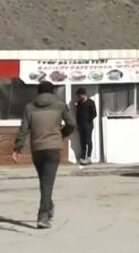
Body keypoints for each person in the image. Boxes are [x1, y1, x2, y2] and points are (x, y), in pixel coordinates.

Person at [12, 81, 77, 229]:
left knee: (44, 181)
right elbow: (72, 123)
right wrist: (61, 134)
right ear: (52, 92)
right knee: (47, 183)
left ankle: (49, 206)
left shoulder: (29, 107)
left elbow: (23, 129)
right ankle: (43, 216)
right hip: (53, 148)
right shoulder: (60, 105)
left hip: (37, 149)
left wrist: (17, 149)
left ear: (38, 92)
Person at [74, 88, 97, 165]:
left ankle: (89, 157)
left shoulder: (91, 102)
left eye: (79, 96)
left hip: (88, 125)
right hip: (81, 125)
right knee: (82, 141)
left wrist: (88, 119)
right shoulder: (79, 103)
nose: (78, 97)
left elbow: (94, 113)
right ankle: (82, 157)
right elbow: (77, 114)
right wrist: (78, 124)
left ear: (83, 94)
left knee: (88, 141)